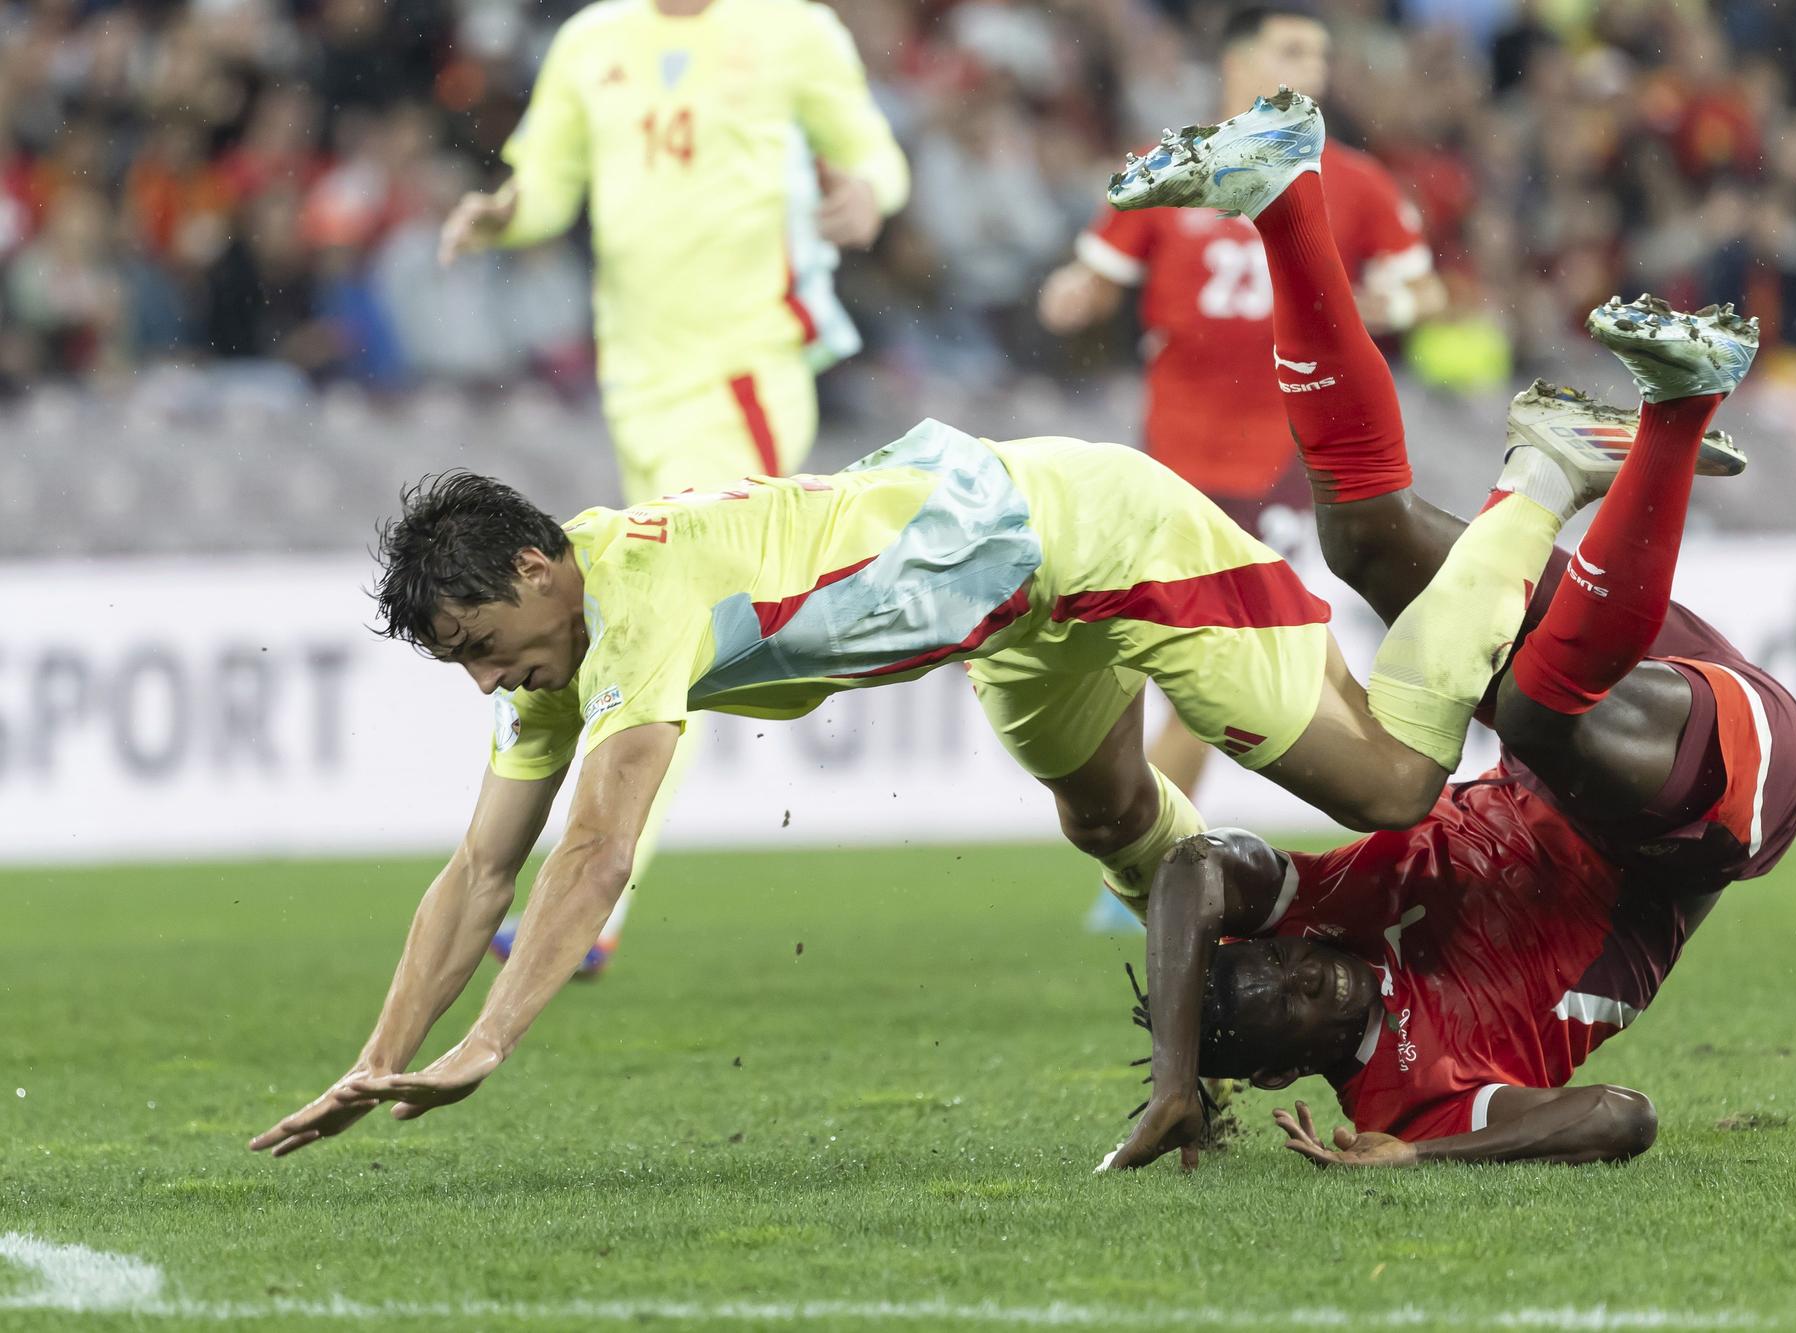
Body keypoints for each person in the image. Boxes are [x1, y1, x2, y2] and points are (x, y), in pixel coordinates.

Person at [245, 90, 1621, 1160]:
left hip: (1095, 532)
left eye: (486, 644)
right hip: (1011, 617)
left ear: (542, 565)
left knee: (1389, 779)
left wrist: (491, 1037)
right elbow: (479, 870)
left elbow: (598, 847)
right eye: (470, 664)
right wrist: (374, 1061)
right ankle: (1223, 1041)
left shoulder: (641, 594)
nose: (492, 679)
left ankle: (1540, 475)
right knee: (1108, 819)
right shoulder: (551, 647)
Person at [1098, 120, 1796, 1170]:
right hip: (1706, 808)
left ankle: (1280, 198)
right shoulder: (1410, 1102)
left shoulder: (1336, 909)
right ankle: (1668, 410)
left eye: (1286, 965)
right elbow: (1620, 1116)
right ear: (1286, 1071)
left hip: (1608, 682)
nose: (1315, 978)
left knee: (1363, 539)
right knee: (1529, 709)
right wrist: (1417, 1160)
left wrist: (1173, 1080)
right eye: (1293, 1006)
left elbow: (1197, 869)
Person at [438, 0, 910, 973]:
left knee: (663, 632)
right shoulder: (590, 41)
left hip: (743, 369)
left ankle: (591, 900)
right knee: (661, 632)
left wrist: (867, 193)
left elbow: (873, 151)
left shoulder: (790, 29)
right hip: (635, 382)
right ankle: (589, 887)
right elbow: (550, 187)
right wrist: (502, 213)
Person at [1039, 4, 1444, 868]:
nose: (1316, 69)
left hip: (1276, 464)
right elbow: (1098, 269)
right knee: (1133, 649)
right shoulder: (1174, 168)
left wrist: (1386, 306)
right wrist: (1073, 292)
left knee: (1208, 663)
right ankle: (1135, 832)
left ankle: (1144, 851)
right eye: (1293, 50)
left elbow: (1424, 292)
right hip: (1168, 462)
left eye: (1322, 54)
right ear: (1235, 65)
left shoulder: (1357, 180)